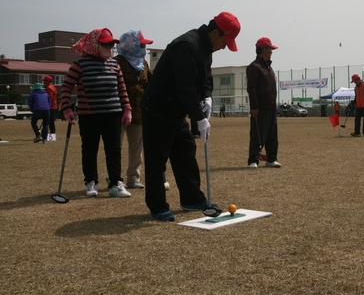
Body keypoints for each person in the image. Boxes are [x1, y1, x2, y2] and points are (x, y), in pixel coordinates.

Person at [141, 12, 241, 222]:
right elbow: (185, 87)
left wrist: (207, 97)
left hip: (176, 110)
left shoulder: (206, 48)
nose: (224, 46)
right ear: (215, 32)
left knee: (186, 154)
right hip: (158, 109)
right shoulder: (186, 46)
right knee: (157, 160)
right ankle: (158, 207)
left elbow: (204, 79)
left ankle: (192, 199)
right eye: (225, 40)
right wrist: (199, 118)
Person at [61, 28, 133, 198]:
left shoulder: (114, 64)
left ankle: (116, 183)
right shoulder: (79, 64)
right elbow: (66, 87)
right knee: (89, 149)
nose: (110, 48)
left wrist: (127, 109)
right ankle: (91, 182)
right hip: (89, 115)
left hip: (113, 114)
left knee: (114, 150)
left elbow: (122, 89)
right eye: (105, 44)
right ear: (95, 44)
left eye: (111, 45)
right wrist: (67, 108)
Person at [115, 30, 154, 190]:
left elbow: (150, 84)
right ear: (131, 44)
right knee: (115, 147)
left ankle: (133, 178)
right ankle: (115, 178)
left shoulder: (143, 63)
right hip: (119, 111)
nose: (144, 47)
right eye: (142, 44)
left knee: (137, 147)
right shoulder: (117, 61)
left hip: (139, 112)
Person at [247, 37, 281, 169]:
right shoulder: (254, 67)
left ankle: (271, 158)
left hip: (271, 106)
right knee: (257, 134)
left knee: (272, 135)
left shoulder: (269, 68)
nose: (272, 51)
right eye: (270, 49)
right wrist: (254, 107)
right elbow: (252, 88)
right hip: (260, 108)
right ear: (263, 50)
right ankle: (253, 159)